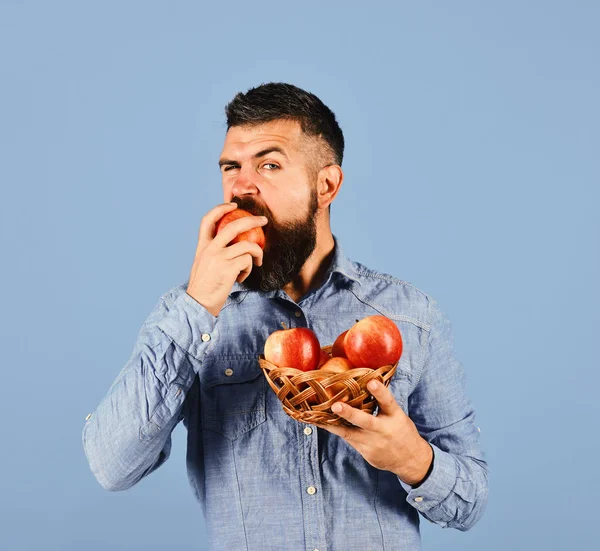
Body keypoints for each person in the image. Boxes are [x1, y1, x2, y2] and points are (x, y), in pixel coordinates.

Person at [82, 82, 489, 551]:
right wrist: (198, 303)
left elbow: (471, 502)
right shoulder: (193, 320)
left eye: (269, 165)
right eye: (231, 167)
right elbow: (112, 467)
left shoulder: (411, 317)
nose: (241, 186)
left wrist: (413, 459)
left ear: (327, 185)